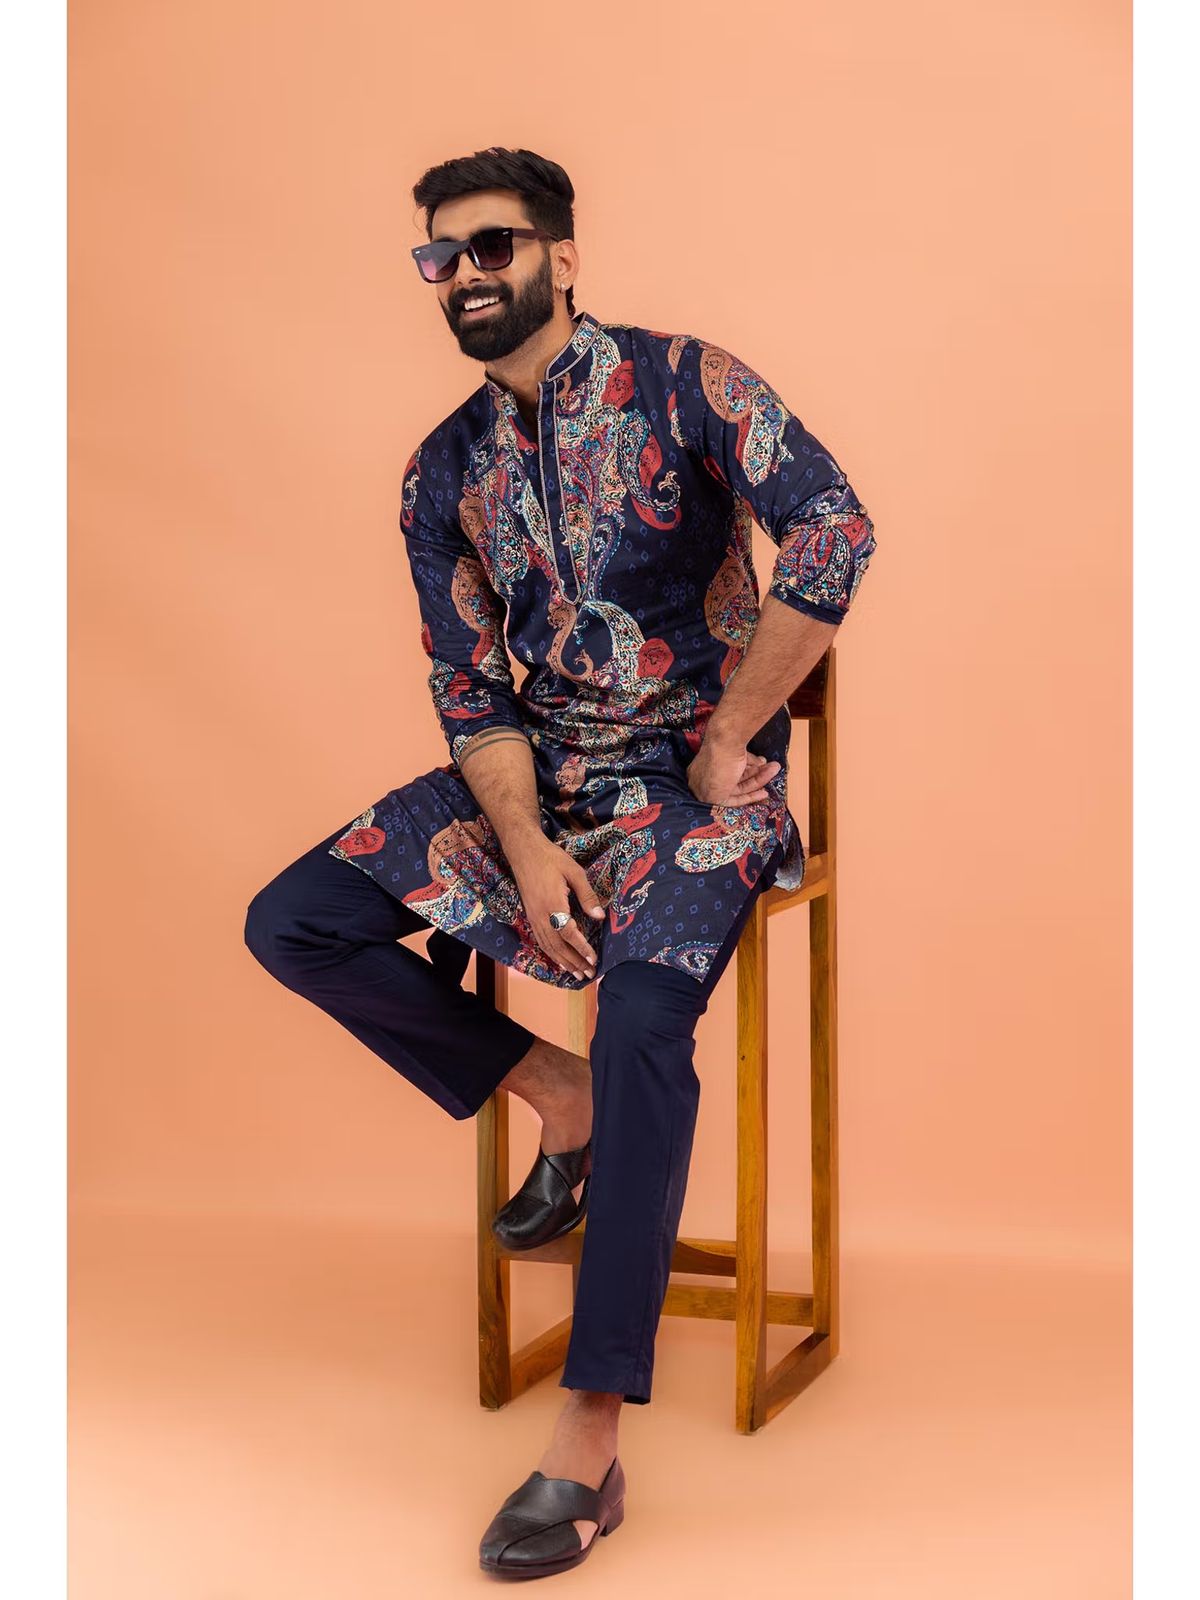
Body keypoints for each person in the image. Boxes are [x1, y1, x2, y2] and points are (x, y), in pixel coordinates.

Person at [244, 145, 876, 1579]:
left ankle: (590, 1433)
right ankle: (558, 1095)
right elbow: (468, 686)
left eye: (493, 247)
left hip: (692, 787)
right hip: (541, 784)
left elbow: (836, 528)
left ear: (562, 257)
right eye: (441, 257)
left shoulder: (686, 382)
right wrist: (523, 844)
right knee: (295, 919)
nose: (465, 275)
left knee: (648, 1017)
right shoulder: (441, 471)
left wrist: (733, 731)